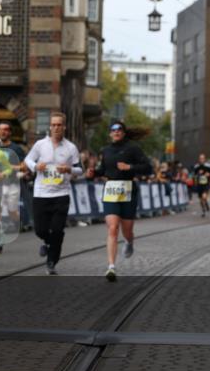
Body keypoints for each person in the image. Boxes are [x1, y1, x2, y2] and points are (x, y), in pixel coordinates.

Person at [93, 121, 153, 281]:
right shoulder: (105, 150)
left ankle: (129, 241)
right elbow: (102, 170)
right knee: (112, 228)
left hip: (128, 192)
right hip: (111, 191)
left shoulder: (133, 148)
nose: (116, 131)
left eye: (119, 129)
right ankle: (111, 267)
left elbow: (149, 168)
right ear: (110, 133)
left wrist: (129, 168)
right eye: (113, 129)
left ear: (124, 132)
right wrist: (93, 172)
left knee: (127, 230)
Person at [24, 112, 82, 275]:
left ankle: (52, 260)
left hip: (61, 195)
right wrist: (36, 166)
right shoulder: (40, 145)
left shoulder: (71, 148)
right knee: (40, 231)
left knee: (57, 230)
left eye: (59, 125)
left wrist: (69, 169)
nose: (56, 128)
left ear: (64, 127)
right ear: (50, 127)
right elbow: (28, 160)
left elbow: (80, 170)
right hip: (41, 194)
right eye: (54, 125)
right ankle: (49, 243)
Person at [0, 121, 28, 233]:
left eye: (6, 129)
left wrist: (9, 168)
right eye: (1, 129)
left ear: (10, 132)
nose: (3, 132)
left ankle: (17, 223)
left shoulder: (16, 148)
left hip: (12, 184)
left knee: (11, 210)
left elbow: (24, 167)